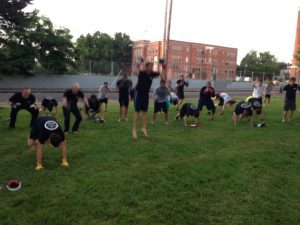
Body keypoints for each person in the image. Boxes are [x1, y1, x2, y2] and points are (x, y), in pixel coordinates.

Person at [132, 61, 166, 140]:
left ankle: (144, 128)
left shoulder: (152, 74)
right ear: (146, 67)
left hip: (145, 95)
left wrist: (163, 68)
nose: (152, 67)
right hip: (138, 93)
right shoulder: (142, 72)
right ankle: (134, 130)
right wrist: (137, 65)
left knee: (144, 112)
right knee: (137, 112)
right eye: (150, 66)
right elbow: (134, 72)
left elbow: (163, 77)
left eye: (152, 66)